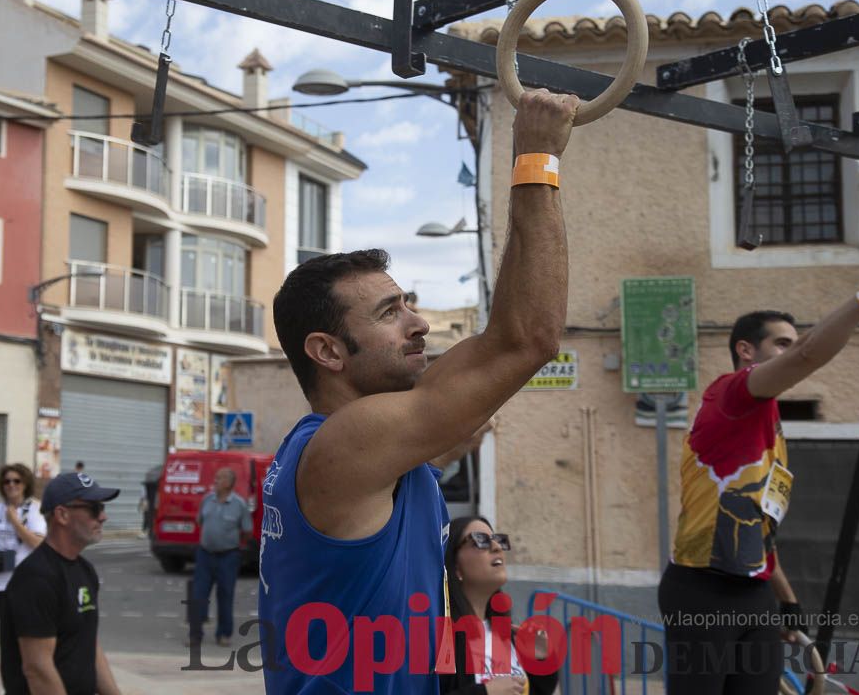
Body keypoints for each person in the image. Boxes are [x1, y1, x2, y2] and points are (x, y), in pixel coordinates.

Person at [258, 89, 579, 692]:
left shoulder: (379, 457)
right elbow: (528, 340)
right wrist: (536, 157)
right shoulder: (349, 443)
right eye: (389, 313)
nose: (419, 323)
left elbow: (461, 420)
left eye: (409, 303)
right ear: (328, 351)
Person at [659, 272, 859, 695]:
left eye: (791, 342)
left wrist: (788, 600)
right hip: (702, 589)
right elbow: (807, 355)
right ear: (746, 351)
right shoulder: (728, 395)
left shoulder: (770, 429)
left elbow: (757, 529)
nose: (794, 349)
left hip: (755, 593)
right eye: (781, 343)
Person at [1, 470, 123, 695]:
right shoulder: (35, 578)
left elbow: (88, 645)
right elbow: (37, 669)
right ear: (62, 515)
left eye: (102, 508)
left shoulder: (85, 570)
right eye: (94, 509)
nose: (103, 517)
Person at [440, 516, 558, 695]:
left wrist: (541, 660)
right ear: (456, 567)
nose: (496, 547)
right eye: (480, 541)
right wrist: (486, 692)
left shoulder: (507, 634)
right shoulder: (439, 638)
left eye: (498, 540)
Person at [0, 463, 46, 690]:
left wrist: (15, 522)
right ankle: (12, 686)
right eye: (7, 482)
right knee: (8, 638)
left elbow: (38, 543)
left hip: (25, 582)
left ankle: (28, 683)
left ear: (25, 484)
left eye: (17, 481)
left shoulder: (34, 510)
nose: (11, 485)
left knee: (24, 637)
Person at [187, 467, 251, 648]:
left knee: (225, 595)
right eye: (215, 477)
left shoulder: (239, 504)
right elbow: (199, 521)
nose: (216, 481)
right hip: (205, 554)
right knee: (198, 594)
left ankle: (223, 634)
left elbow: (247, 531)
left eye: (220, 478)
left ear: (230, 483)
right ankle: (195, 635)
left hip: (228, 556)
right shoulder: (207, 500)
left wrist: (234, 546)